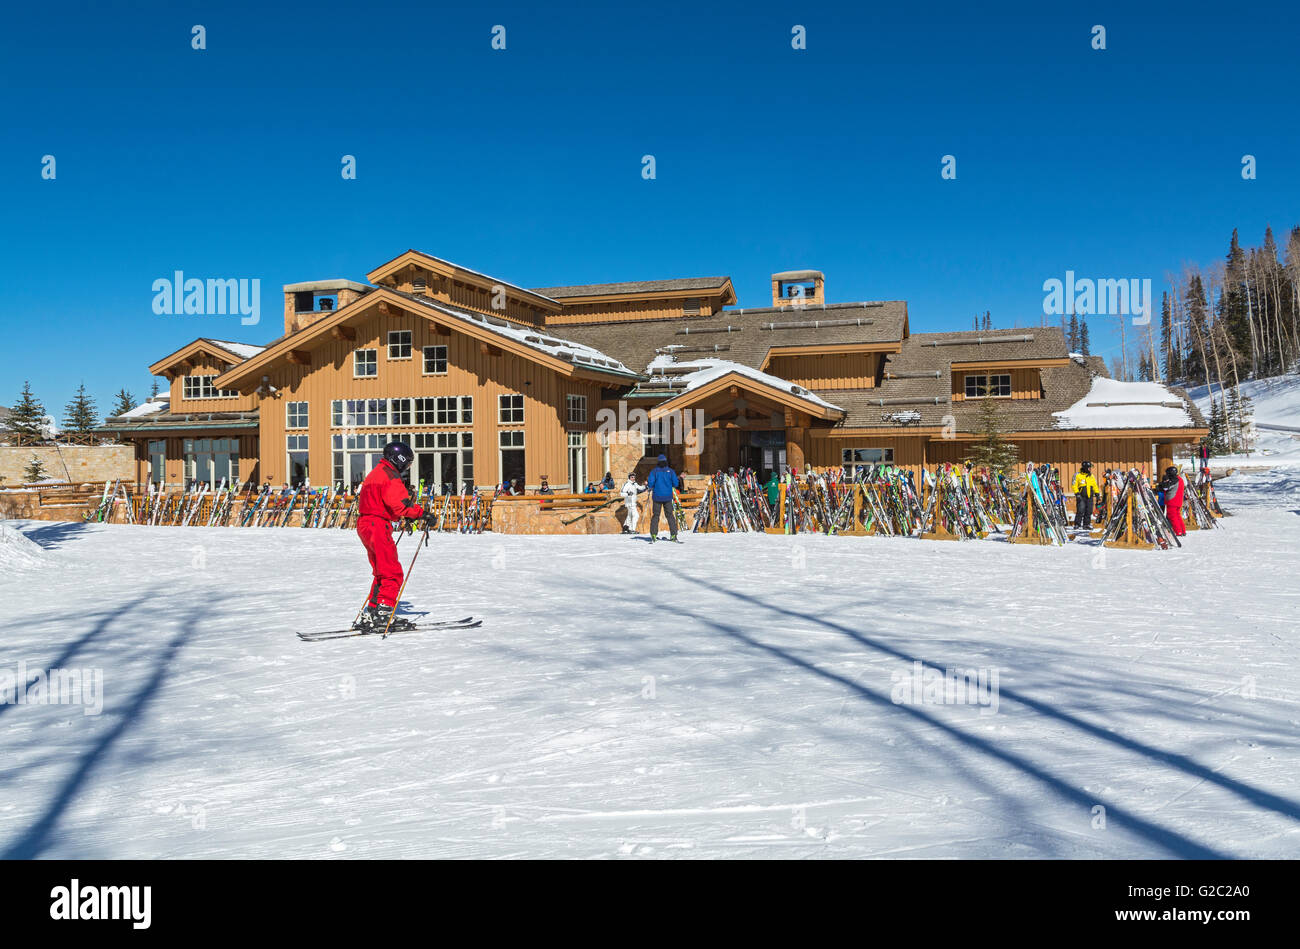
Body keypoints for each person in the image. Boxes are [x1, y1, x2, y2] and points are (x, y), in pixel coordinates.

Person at [356, 441, 428, 631]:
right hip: (377, 525)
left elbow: (385, 502)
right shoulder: (390, 476)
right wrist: (422, 514)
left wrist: (402, 515)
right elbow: (400, 503)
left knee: (381, 571)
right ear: (400, 459)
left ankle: (372, 611)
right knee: (392, 572)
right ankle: (383, 613)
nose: (408, 467)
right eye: (408, 463)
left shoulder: (375, 473)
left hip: (366, 524)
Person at [645, 454, 681, 541]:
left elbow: (650, 483)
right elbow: (676, 483)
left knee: (656, 516)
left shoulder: (654, 471)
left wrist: (651, 486)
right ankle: (673, 535)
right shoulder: (671, 471)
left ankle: (653, 534)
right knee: (670, 516)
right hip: (668, 497)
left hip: (657, 497)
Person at [1157, 465, 1186, 536]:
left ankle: (1178, 531)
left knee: (1172, 516)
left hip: (1173, 500)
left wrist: (1160, 485)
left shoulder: (1174, 480)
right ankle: (1182, 530)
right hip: (1178, 500)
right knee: (1177, 515)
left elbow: (1166, 487)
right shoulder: (1179, 479)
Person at [1070, 462, 1100, 530]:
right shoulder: (1078, 475)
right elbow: (1074, 484)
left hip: (1090, 496)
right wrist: (1077, 493)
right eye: (1089, 468)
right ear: (1085, 468)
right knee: (1080, 510)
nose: (1090, 469)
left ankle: (1086, 524)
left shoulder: (1091, 476)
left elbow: (1095, 485)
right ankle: (1077, 524)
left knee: (1089, 511)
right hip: (1081, 496)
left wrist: (1097, 494)